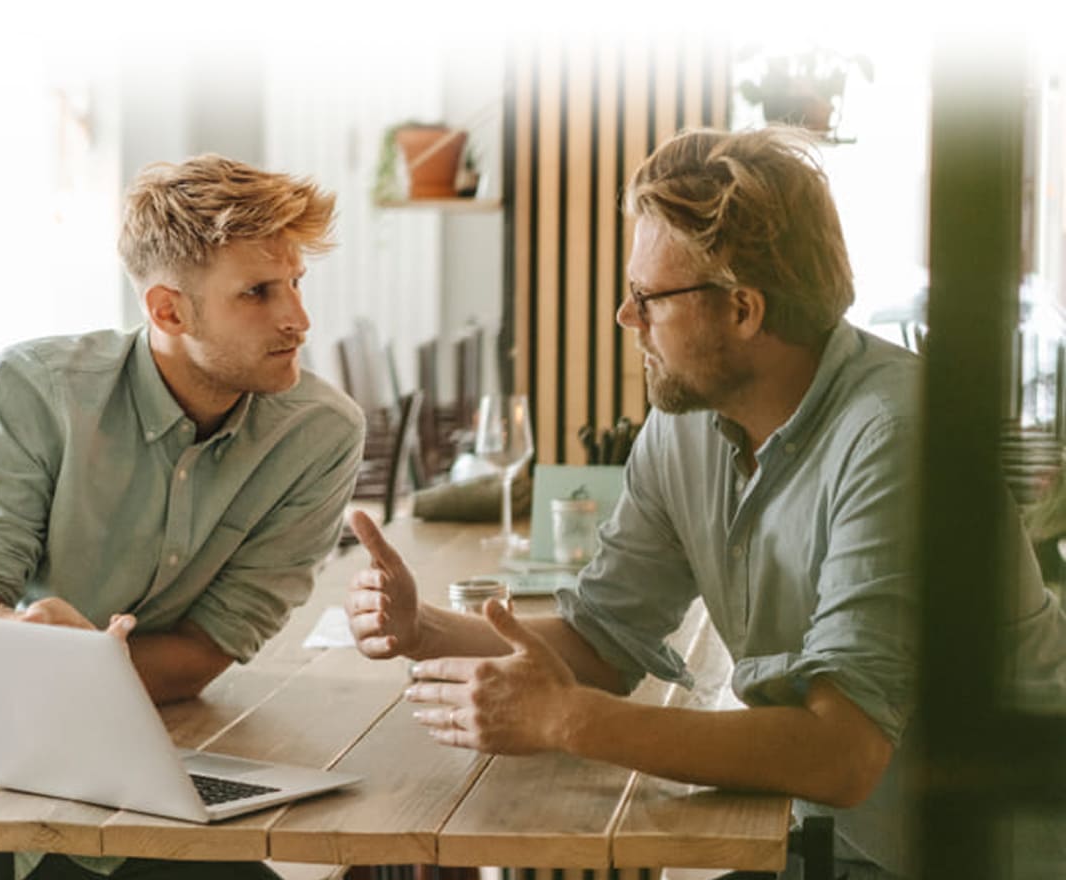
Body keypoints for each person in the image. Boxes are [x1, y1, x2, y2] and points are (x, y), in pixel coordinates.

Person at [345, 128, 1066, 880]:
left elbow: (841, 754)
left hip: (989, 852)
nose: (628, 320)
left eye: (647, 297)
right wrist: (421, 626)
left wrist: (564, 719)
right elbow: (603, 642)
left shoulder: (898, 434)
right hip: (840, 839)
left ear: (744, 310)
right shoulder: (684, 424)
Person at [0, 154, 365, 879]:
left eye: (296, 284)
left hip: (131, 791)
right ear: (168, 310)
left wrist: (57, 675)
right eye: (258, 293)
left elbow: (208, 648)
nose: (297, 318)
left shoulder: (319, 434)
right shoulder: (32, 391)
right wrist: (39, 673)